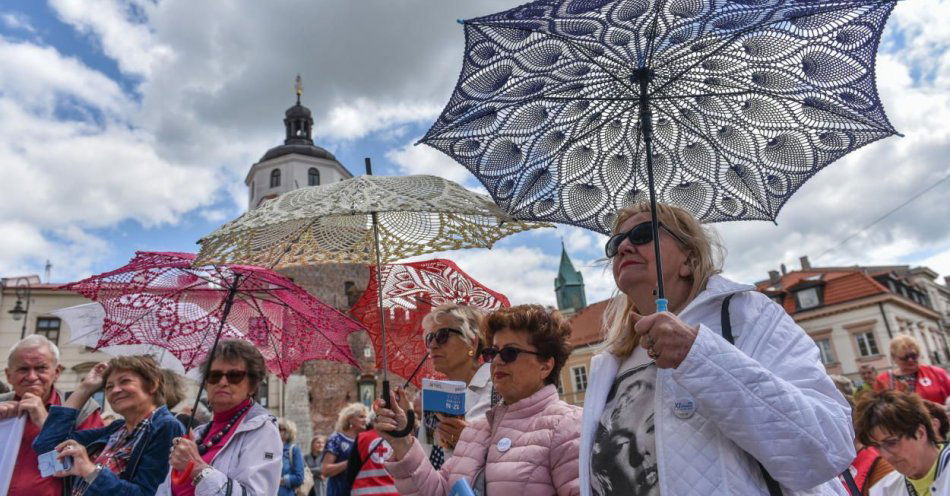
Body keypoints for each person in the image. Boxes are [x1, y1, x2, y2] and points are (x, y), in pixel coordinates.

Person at [581, 203, 855, 495]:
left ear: (689, 256)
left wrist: (698, 355)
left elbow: (827, 447)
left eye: (642, 233)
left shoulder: (747, 314)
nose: (623, 246)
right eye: (615, 242)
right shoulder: (611, 360)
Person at [376, 304, 582, 495]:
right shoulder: (477, 432)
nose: (497, 361)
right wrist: (403, 441)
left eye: (510, 353)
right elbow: (437, 491)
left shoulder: (567, 426)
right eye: (494, 352)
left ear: (545, 366)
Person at [33, 355, 184, 495]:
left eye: (125, 381)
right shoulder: (117, 428)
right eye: (109, 386)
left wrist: (90, 470)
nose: (115, 390)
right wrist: (85, 388)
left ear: (152, 385)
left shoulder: (166, 427)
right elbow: (48, 446)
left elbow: (147, 493)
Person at [156, 339, 283, 495]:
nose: (222, 382)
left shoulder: (262, 431)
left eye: (234, 376)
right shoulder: (198, 433)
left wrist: (197, 468)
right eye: (214, 376)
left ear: (252, 385)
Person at [0, 335, 104, 496]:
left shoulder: (83, 409)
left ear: (56, 372)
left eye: (41, 368)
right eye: (23, 369)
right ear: (8, 375)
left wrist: (47, 423)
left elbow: (93, 463)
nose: (32, 377)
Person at [418, 303, 494, 469]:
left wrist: (468, 440)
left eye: (442, 335)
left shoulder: (499, 388)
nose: (433, 345)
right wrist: (404, 430)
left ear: (472, 343)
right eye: (430, 338)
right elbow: (427, 463)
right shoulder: (437, 397)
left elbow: (516, 453)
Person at [854, 390, 950, 495]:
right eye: (876, 446)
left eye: (891, 442)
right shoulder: (884, 490)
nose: (885, 455)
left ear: (920, 433)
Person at [874, 334, 950, 405]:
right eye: (904, 357)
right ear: (894, 357)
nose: (910, 360)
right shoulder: (882, 380)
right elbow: (877, 408)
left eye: (913, 355)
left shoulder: (935, 372)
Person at [322, 402, 369, 496]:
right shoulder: (336, 439)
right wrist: (351, 462)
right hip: (340, 491)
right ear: (350, 420)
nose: (365, 420)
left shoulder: (366, 440)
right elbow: (326, 470)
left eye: (366, 417)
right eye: (361, 417)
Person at [346, 424, 398, 496]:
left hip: (364, 492)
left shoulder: (362, 438)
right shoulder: (399, 439)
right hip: (393, 493)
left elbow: (351, 471)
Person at [278, 417, 305, 496]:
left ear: (287, 431)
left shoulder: (294, 450)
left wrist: (279, 480)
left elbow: (299, 478)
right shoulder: (270, 449)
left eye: (279, 428)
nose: (275, 430)